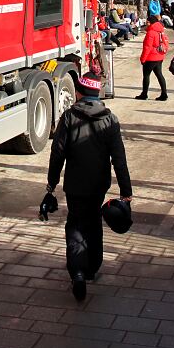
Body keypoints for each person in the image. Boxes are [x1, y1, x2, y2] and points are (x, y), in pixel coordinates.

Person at [45, 72, 133, 301]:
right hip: (98, 185)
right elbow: (119, 158)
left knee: (75, 224)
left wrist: (51, 183)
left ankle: (78, 272)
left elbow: (58, 153)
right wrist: (126, 191)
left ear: (80, 92)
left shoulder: (69, 117)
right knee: (94, 223)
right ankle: (92, 267)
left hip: (74, 184)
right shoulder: (110, 119)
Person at [135, 12, 169, 101]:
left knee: (146, 75)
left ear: (151, 22)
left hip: (151, 57)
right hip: (159, 57)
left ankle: (144, 94)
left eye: (148, 22)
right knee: (159, 75)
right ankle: (164, 93)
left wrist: (143, 59)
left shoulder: (151, 32)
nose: (146, 23)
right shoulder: (161, 31)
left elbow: (147, 47)